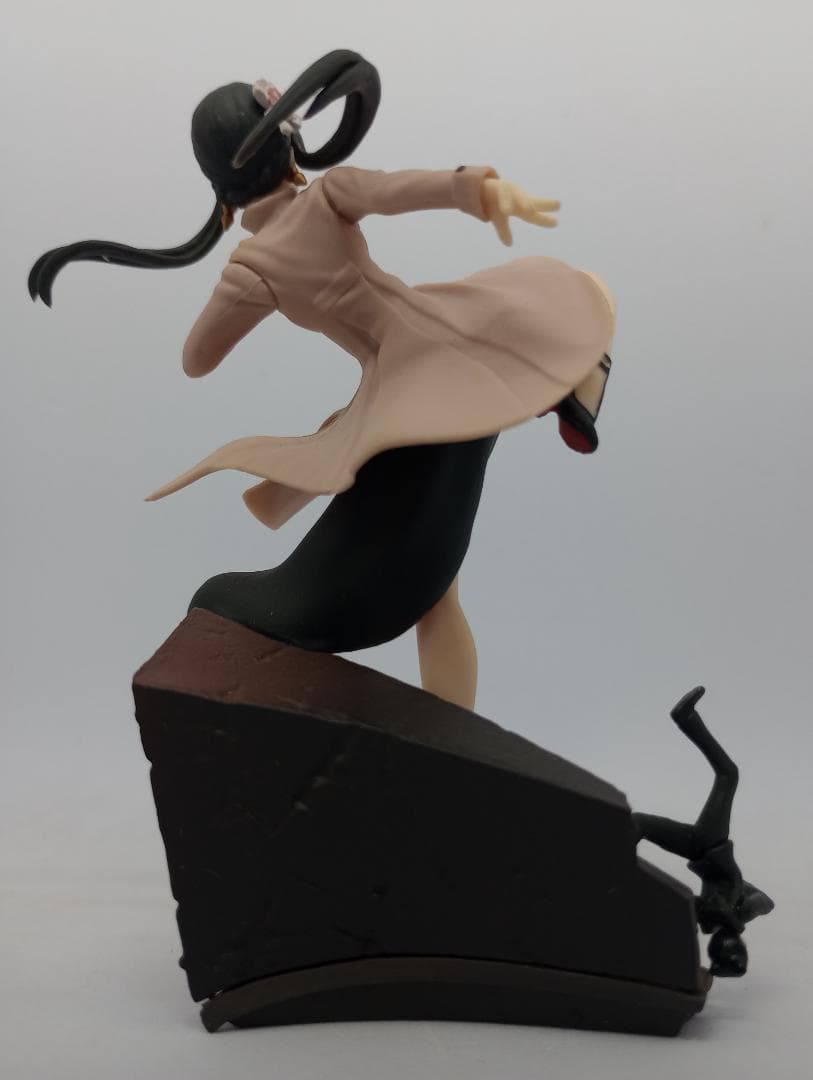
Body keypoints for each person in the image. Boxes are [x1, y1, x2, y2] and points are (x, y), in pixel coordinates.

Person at [29, 50, 615, 710]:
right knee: (437, 578)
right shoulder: (329, 195)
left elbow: (197, 358)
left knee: (428, 565)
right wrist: (481, 191)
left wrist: (236, 284)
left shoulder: (251, 268)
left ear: (222, 184)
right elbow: (403, 189)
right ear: (287, 147)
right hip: (437, 352)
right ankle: (456, 733)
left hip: (407, 391)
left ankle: (563, 383)